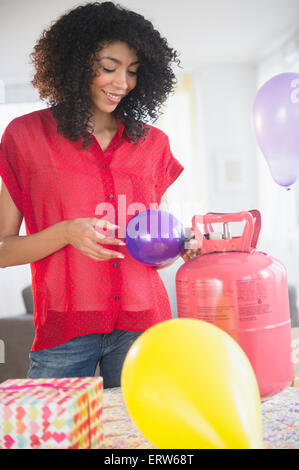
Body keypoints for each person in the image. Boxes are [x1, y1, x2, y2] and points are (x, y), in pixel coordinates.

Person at [0, 2, 199, 388]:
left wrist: (176, 245)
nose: (122, 82)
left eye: (133, 72)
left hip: (144, 325)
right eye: (109, 67)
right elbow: (2, 250)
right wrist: (67, 232)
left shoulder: (153, 144)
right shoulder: (23, 137)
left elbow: (152, 245)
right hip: (64, 330)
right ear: (75, 64)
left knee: (141, 445)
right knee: (46, 442)